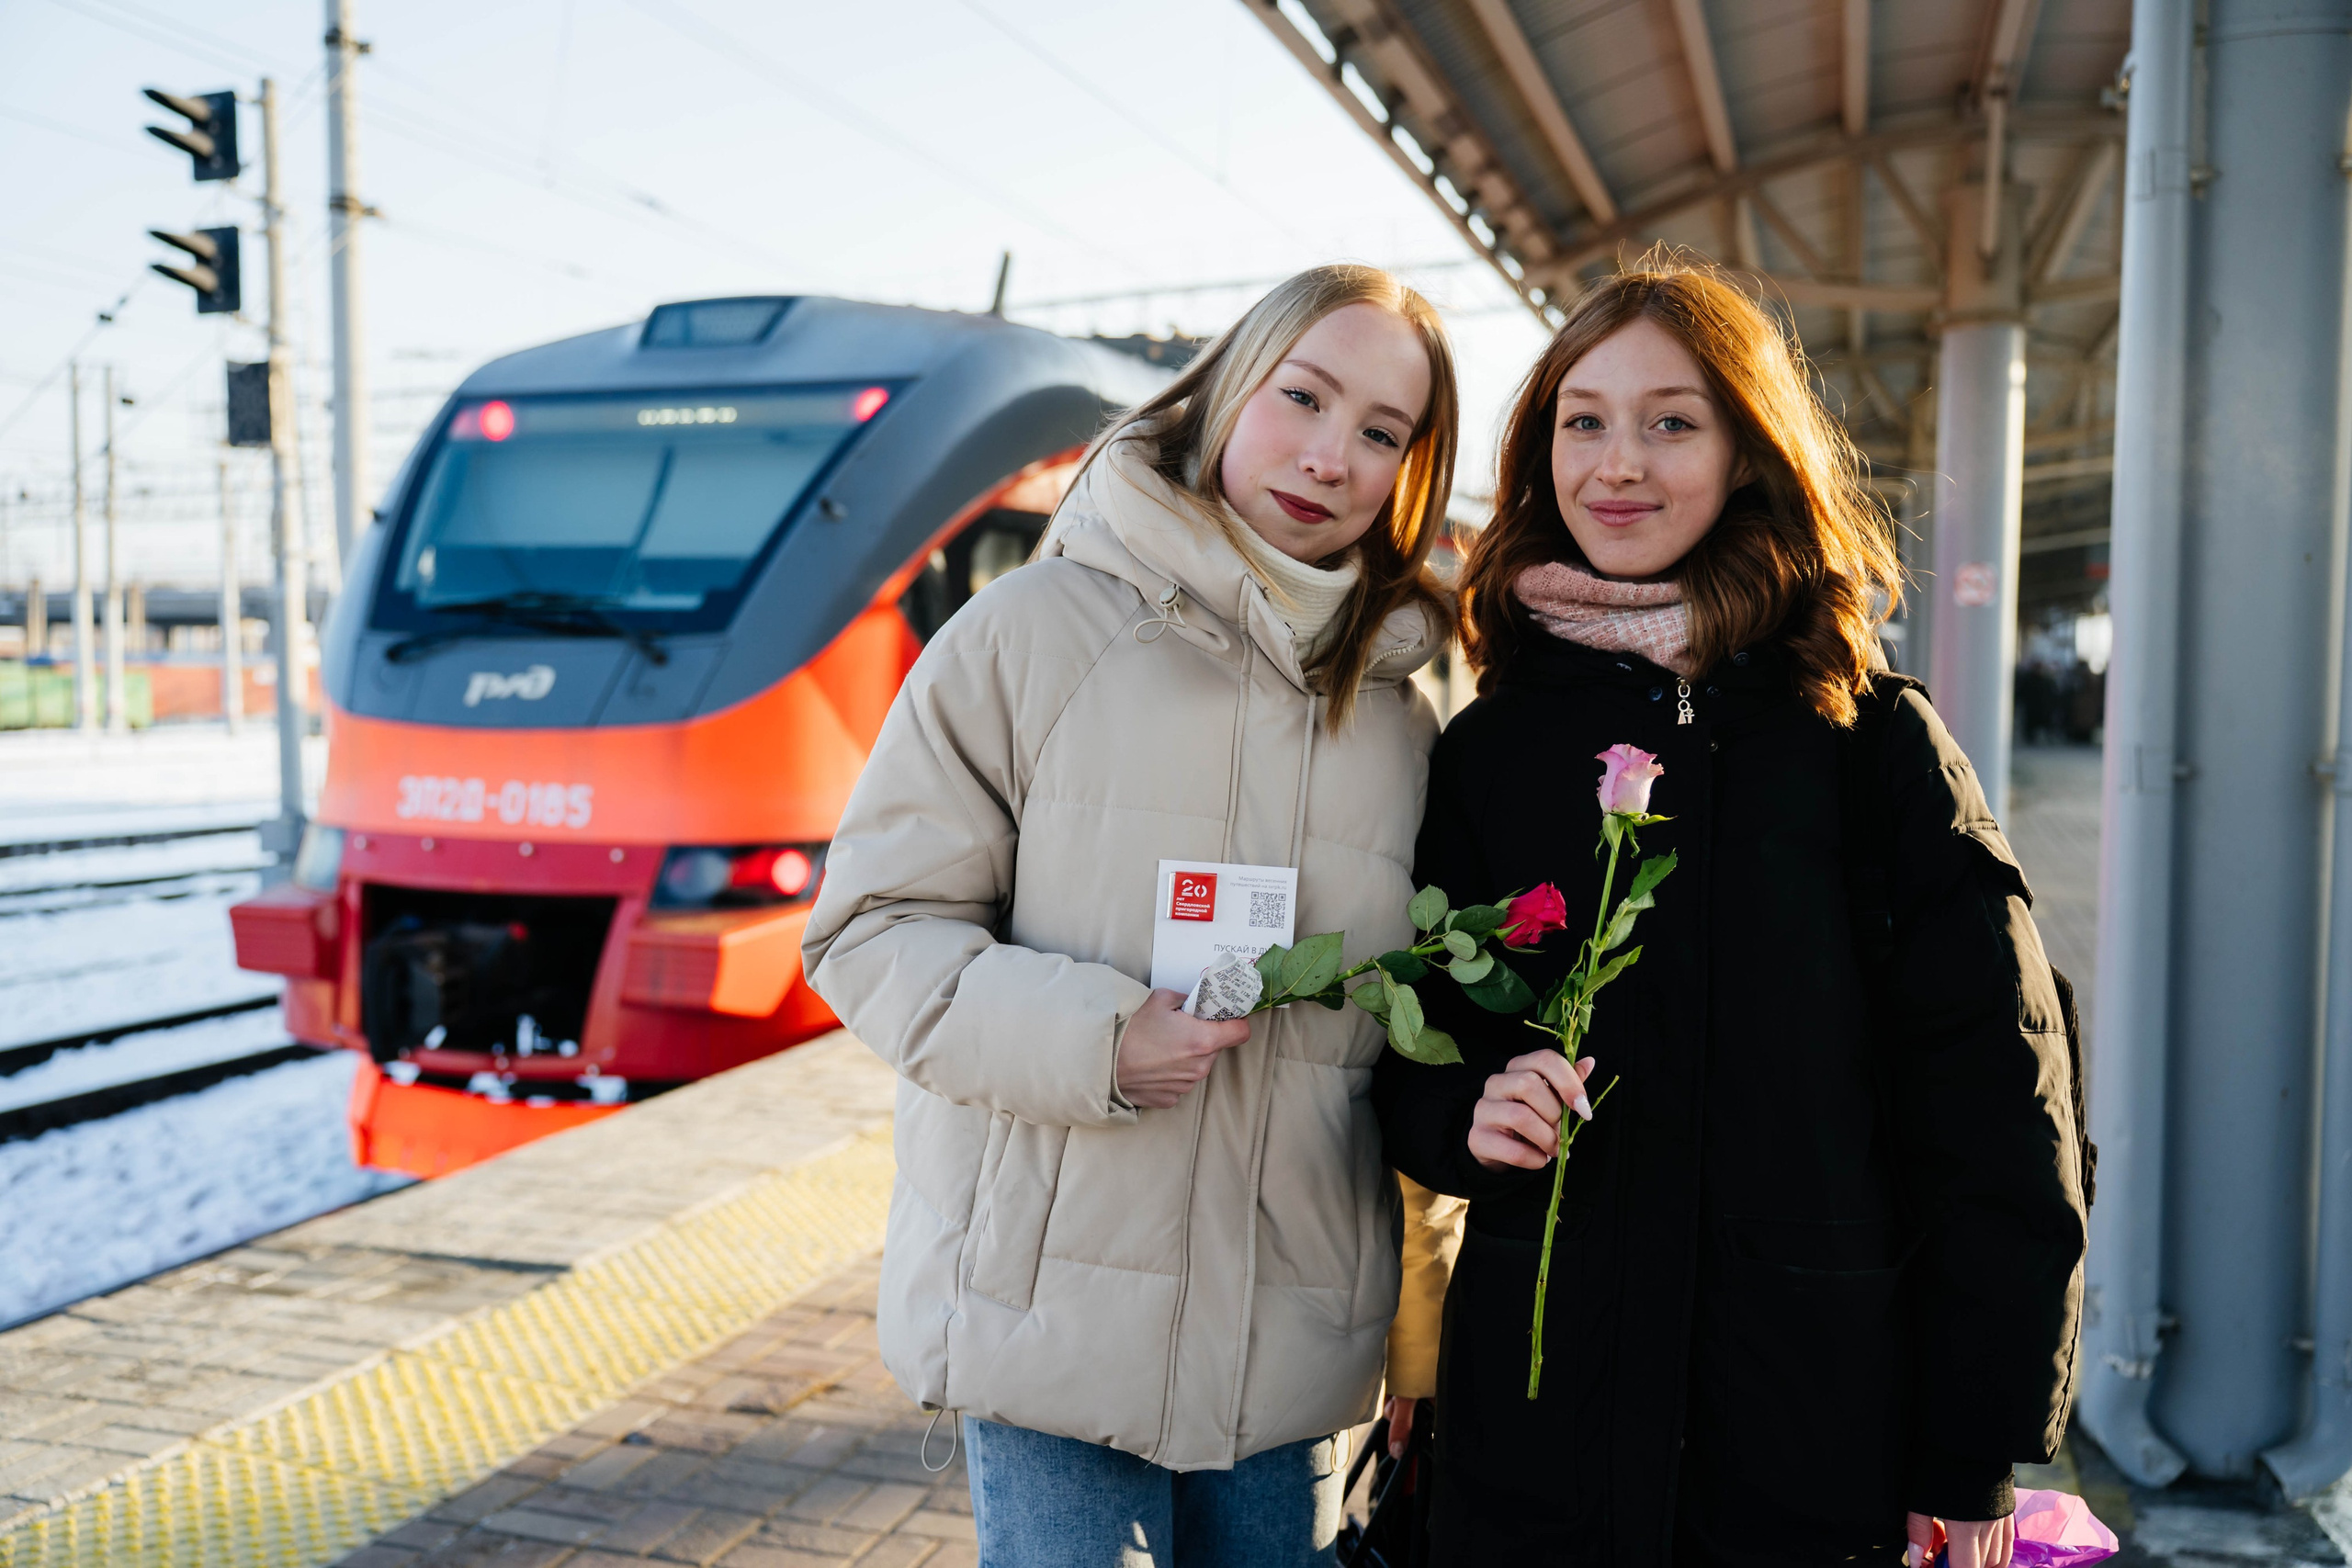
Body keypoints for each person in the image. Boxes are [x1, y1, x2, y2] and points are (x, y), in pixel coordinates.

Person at [1372, 259, 2088, 1568]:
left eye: (1672, 421)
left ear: (1748, 452)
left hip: (1812, 1445)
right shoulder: (1492, 751)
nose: (1618, 463)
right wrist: (1466, 1110)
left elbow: (2000, 1100)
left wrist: (1972, 1447)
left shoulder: (1871, 744)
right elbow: (1412, 1049)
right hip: (1534, 1447)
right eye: (1583, 421)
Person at [802, 264, 1467, 1567]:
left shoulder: (1400, 719)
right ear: (1226, 390)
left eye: (1382, 432)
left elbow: (1409, 1038)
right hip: (1043, 1312)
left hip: (1293, 1337)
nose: (1331, 456)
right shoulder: (1028, 635)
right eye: (1304, 397)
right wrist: (1101, 1042)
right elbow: (871, 927)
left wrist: (1422, 1339)